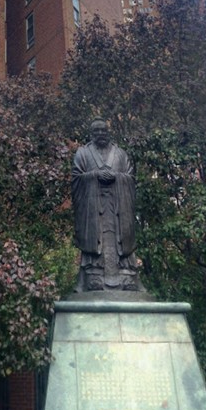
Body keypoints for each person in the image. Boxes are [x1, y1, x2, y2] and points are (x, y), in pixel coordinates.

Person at [72, 118, 141, 292]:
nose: (101, 134)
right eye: (97, 131)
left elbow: (131, 178)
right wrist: (95, 175)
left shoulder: (120, 154)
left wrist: (117, 178)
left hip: (118, 210)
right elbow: (76, 179)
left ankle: (127, 276)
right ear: (92, 134)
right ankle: (92, 275)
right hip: (94, 210)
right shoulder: (82, 154)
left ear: (108, 132)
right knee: (96, 241)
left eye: (104, 130)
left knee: (122, 241)